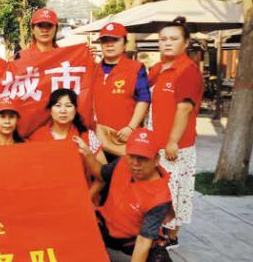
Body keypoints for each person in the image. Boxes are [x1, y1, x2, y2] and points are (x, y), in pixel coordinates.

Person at [73, 128, 174, 262]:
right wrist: (87, 153)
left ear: (156, 159)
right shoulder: (121, 163)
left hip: (131, 239)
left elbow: (143, 240)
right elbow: (100, 172)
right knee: (75, 225)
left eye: (143, 158)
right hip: (106, 225)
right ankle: (98, 256)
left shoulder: (160, 197)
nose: (135, 163)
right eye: (132, 156)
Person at [148, 16, 204, 249]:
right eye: (163, 39)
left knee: (175, 191)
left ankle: (171, 236)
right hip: (154, 142)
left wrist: (173, 141)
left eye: (173, 39)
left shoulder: (187, 70)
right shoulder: (157, 68)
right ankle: (157, 232)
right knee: (158, 190)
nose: (167, 43)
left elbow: (184, 108)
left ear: (186, 42)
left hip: (174, 145)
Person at [30, 89, 107, 202]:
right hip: (46, 201)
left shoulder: (87, 136)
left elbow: (104, 174)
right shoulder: (37, 137)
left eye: (68, 106)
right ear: (50, 111)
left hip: (81, 201)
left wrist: (87, 198)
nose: (63, 111)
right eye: (58, 106)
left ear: (75, 110)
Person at [92, 22, 150, 160]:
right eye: (105, 40)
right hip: (98, 139)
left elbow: (144, 99)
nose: (109, 44)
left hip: (124, 137)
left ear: (125, 43)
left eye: (115, 40)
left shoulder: (136, 68)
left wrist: (131, 127)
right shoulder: (94, 69)